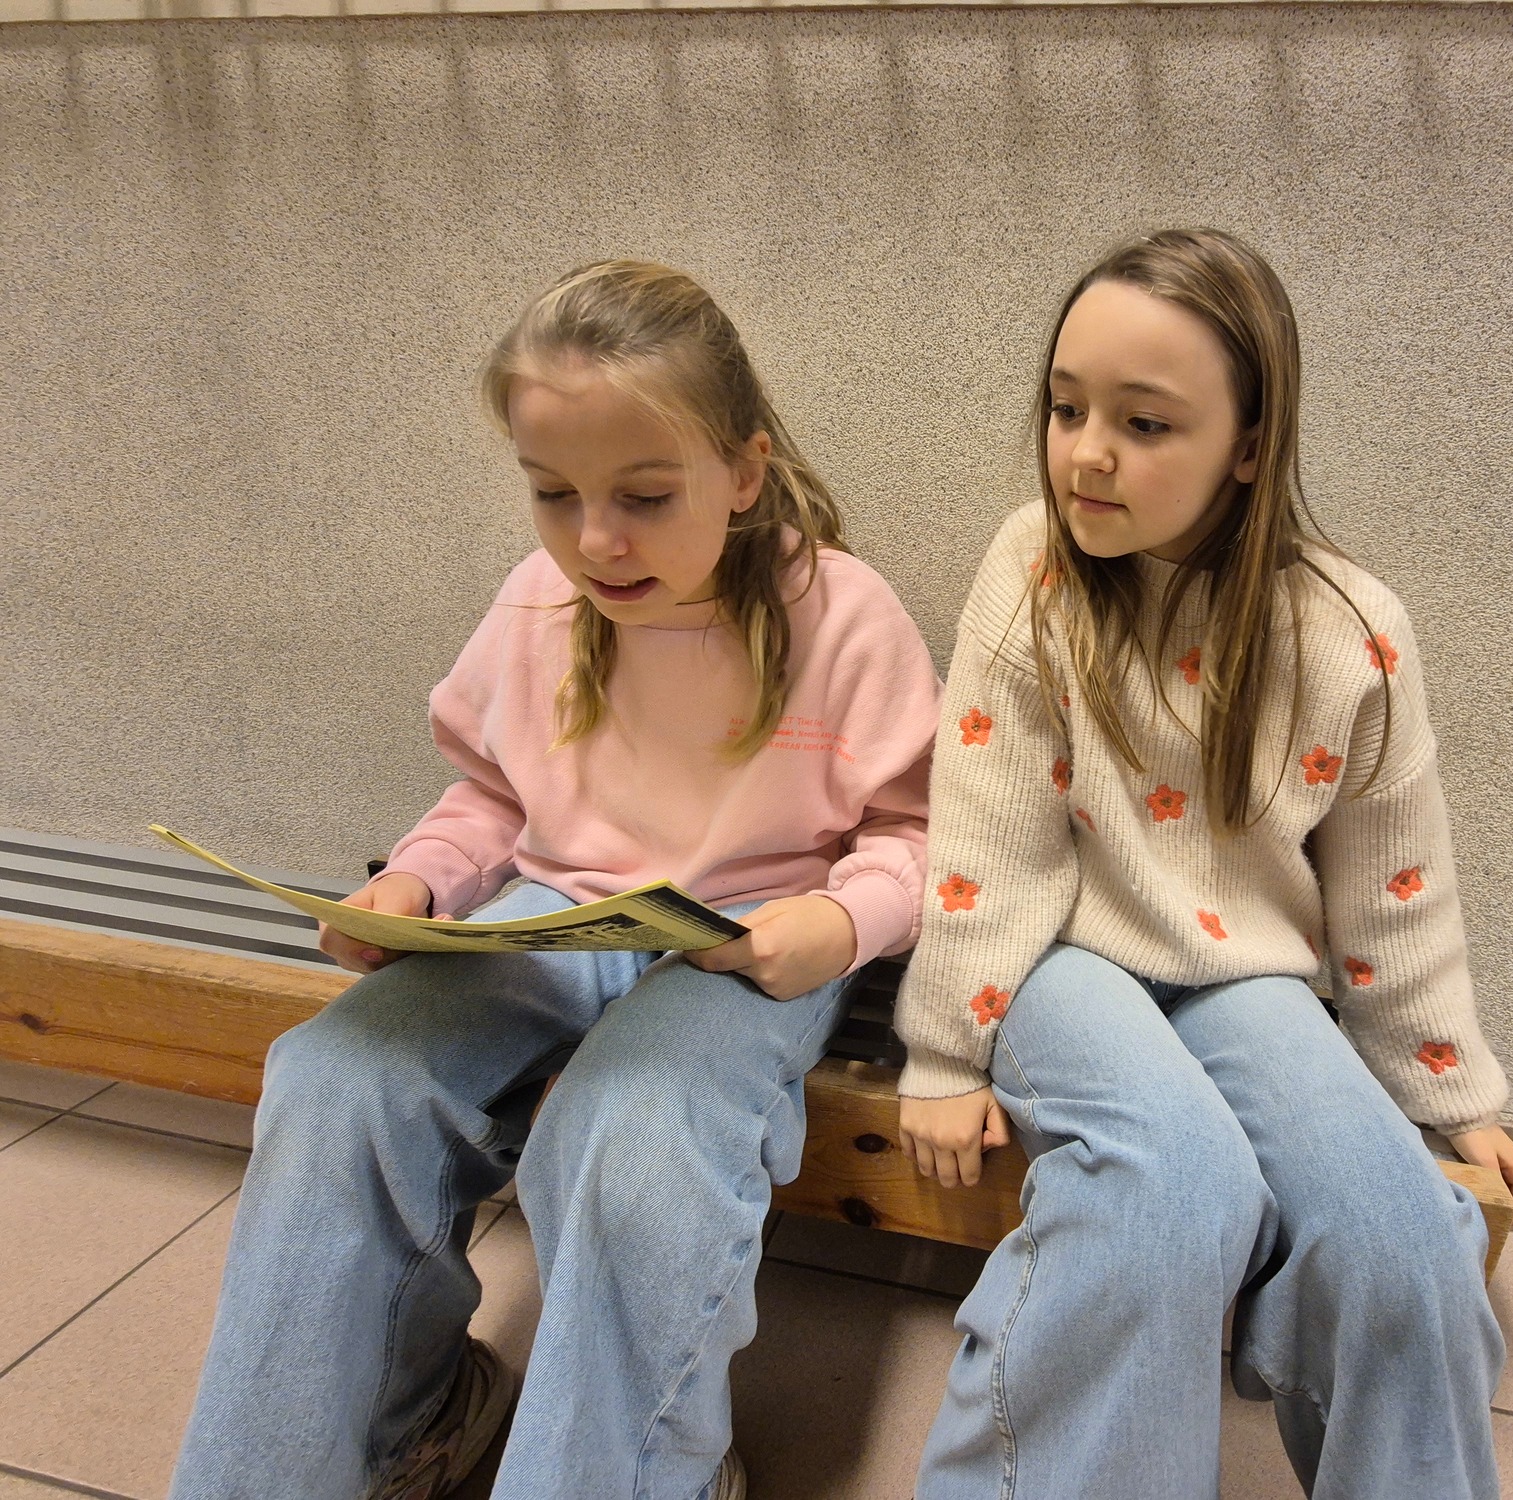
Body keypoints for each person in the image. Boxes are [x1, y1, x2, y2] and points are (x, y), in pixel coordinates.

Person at [171, 260, 941, 1500]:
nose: (595, 540)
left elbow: (917, 835)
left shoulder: (839, 615)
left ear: (743, 472)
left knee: (629, 1136)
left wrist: (842, 922)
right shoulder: (541, 601)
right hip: (552, 914)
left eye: (646, 495)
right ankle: (406, 1427)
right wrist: (417, 885)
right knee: (336, 1078)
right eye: (551, 494)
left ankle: (645, 1475)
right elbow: (488, 794)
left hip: (747, 940)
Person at [894, 228, 1513, 1500]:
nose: (1086, 453)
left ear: (1249, 445)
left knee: (1404, 1237)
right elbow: (986, 834)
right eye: (1065, 409)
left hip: (1245, 975)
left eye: (1143, 423)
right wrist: (947, 1052)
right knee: (1173, 1185)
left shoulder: (1350, 631)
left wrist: (1447, 1090)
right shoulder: (1030, 564)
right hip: (1057, 956)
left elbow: (1394, 890)